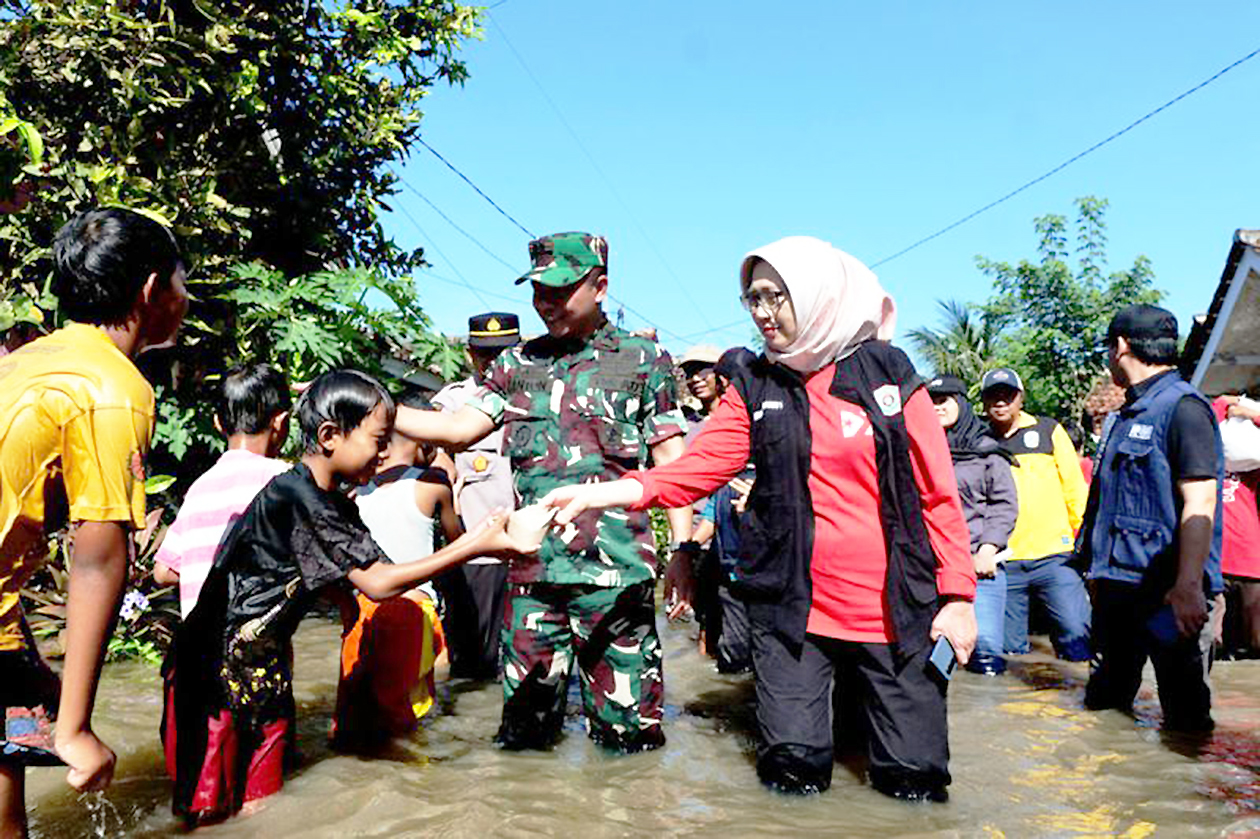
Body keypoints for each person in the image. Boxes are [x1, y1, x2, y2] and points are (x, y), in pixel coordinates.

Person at [542, 236, 976, 801]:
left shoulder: (886, 374)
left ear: (820, 295)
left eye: (779, 296)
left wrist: (959, 599)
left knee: (912, 784)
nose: (765, 313)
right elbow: (697, 468)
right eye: (754, 299)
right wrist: (606, 493)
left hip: (897, 609)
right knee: (791, 777)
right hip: (792, 613)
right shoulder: (755, 383)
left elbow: (937, 495)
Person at [162, 370, 534, 824]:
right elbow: (379, 581)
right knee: (206, 816)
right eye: (378, 440)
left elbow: (364, 578)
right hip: (208, 675)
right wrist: (472, 545)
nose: (384, 453)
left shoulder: (336, 502)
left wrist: (347, 605)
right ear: (330, 435)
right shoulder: (296, 495)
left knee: (263, 809)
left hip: (264, 669)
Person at [394, 231, 693, 754]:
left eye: (560, 290)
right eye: (538, 291)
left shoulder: (644, 360)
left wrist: (684, 552)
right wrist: (374, 409)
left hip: (616, 580)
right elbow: (462, 428)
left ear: (599, 286)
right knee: (524, 742)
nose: (545, 303)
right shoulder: (516, 364)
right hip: (533, 578)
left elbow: (674, 466)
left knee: (628, 743)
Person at [0, 207, 188, 837]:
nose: (187, 300)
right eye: (183, 283)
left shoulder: (27, 361)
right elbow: (99, 556)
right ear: (150, 292)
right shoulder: (111, 388)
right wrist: (76, 729)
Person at [1079, 305, 1223, 732]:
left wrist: (1188, 587)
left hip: (1167, 595)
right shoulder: (1126, 415)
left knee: (1183, 715)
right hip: (1118, 591)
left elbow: (1201, 503)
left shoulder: (1184, 408)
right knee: (1105, 710)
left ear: (1121, 346)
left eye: (1108, 348)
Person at [333, 393, 464, 747]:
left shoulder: (353, 493)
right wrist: (457, 495)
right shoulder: (434, 482)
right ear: (425, 442)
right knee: (410, 711)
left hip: (363, 609)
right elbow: (458, 543)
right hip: (413, 609)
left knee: (357, 707)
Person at [154, 364, 292, 618]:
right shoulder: (282, 479)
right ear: (281, 422)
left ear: (218, 423)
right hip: (251, 644)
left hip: (197, 643)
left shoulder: (200, 487)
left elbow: (163, 572)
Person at [431, 312, 521, 680]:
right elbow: (437, 459)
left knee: (531, 659)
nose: (494, 363)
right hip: (476, 551)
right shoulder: (453, 403)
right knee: (474, 664)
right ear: (470, 354)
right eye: (485, 354)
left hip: (530, 548)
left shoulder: (538, 399)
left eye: (502, 353)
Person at [981, 367, 1092, 661]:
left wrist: (1084, 547)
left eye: (1008, 395)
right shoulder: (980, 441)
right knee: (1008, 657)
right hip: (1003, 563)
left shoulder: (1048, 431)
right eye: (993, 396)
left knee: (1077, 641)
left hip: (1056, 556)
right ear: (984, 402)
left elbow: (1075, 491)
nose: (1001, 402)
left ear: (1021, 398)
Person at [927, 375, 1018, 676]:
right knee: (930, 657)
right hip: (929, 567)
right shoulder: (919, 448)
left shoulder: (987, 450)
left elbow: (1004, 504)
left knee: (985, 656)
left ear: (961, 403)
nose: (936, 407)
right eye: (931, 401)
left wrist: (989, 548)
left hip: (979, 566)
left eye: (943, 400)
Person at [1210, 395, 1260, 658]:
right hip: (1214, 561)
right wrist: (1226, 401)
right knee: (1211, 643)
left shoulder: (1253, 467)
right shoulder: (1206, 460)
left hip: (1249, 563)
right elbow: (1210, 414)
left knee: (1256, 643)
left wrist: (1249, 412)